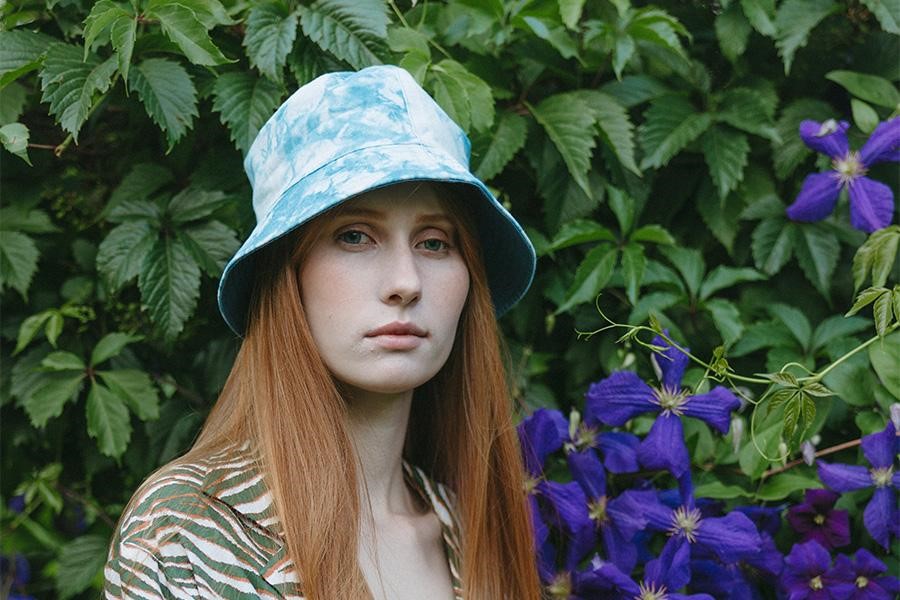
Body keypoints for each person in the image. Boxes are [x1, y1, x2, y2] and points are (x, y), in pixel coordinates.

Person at [103, 65, 541, 599]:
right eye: (355, 236)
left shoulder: (468, 528)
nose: (405, 283)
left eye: (434, 242)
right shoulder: (189, 529)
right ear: (287, 277)